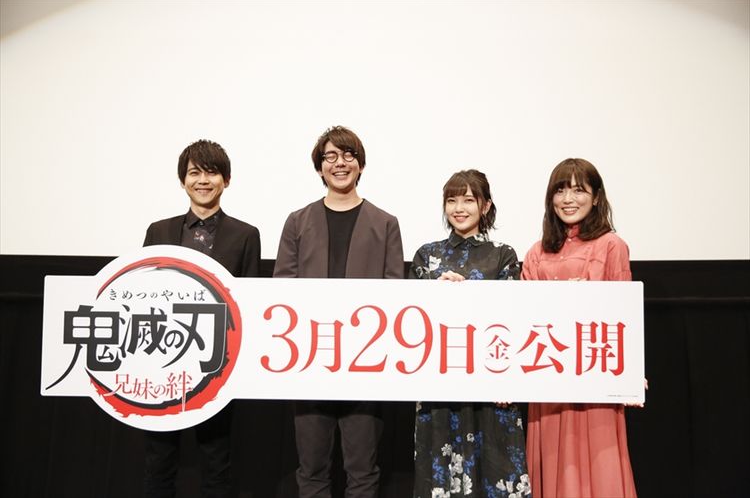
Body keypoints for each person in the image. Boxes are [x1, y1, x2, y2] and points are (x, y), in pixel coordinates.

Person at [274, 125, 404, 498]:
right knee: (312, 468)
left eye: (348, 155)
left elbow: (394, 290)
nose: (340, 163)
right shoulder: (298, 221)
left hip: (366, 362)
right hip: (309, 360)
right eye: (330, 156)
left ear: (360, 164)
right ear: (319, 168)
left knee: (362, 470)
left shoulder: (385, 223)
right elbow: (283, 289)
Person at [142, 139, 261, 498]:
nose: (203, 180)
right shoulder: (158, 231)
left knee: (216, 462)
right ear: (183, 181)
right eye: (195, 173)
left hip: (216, 365)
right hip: (161, 363)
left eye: (212, 173)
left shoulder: (246, 235)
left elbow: (250, 301)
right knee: (158, 462)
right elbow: (141, 293)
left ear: (227, 180)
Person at [409, 169, 531, 498]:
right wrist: (436, 293)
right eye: (451, 200)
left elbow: (513, 319)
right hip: (439, 382)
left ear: (485, 205)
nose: (459, 208)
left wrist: (507, 378)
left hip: (491, 384)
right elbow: (411, 320)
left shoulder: (503, 255)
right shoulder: (426, 256)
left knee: (496, 471)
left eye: (468, 200)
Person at [522, 158, 637, 497]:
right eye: (560, 191)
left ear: (596, 197)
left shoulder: (612, 245)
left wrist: (631, 370)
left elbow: (623, 315)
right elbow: (523, 318)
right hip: (548, 378)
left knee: (599, 466)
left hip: (594, 378)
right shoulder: (536, 253)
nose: (568, 199)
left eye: (578, 190)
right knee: (551, 464)